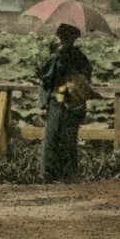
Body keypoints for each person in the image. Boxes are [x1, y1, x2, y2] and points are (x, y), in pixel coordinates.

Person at [37, 23, 93, 182]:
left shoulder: (57, 57)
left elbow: (45, 78)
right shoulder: (80, 57)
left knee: (52, 137)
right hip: (75, 101)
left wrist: (43, 102)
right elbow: (87, 76)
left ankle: (49, 174)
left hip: (57, 100)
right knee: (69, 138)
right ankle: (69, 174)